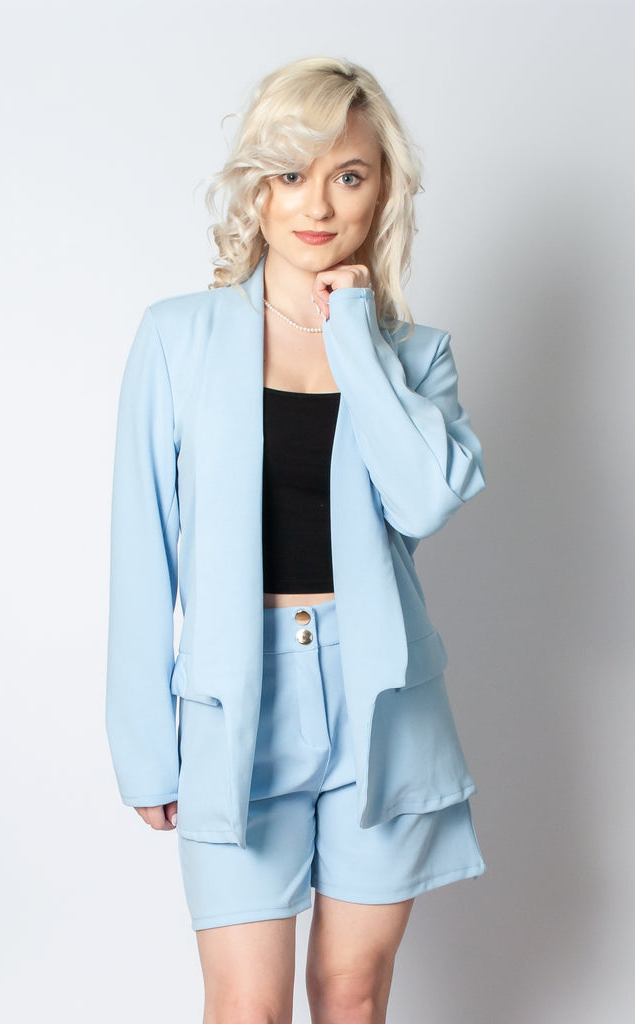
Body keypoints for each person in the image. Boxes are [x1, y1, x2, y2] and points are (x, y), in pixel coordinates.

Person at [106, 55, 487, 1024]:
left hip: (383, 704)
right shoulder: (177, 338)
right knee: (247, 1007)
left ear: (382, 191)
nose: (316, 203)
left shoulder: (414, 356)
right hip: (235, 703)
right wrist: (143, 742)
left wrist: (351, 327)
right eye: (290, 172)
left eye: (347, 175)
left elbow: (423, 501)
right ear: (256, 186)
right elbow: (141, 552)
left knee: (352, 995)